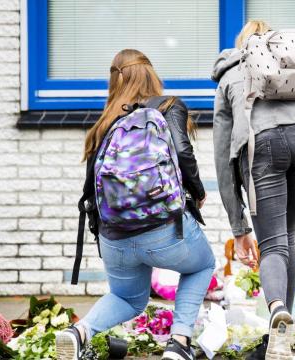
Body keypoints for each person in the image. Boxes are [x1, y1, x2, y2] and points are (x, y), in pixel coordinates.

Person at [56, 49, 214, 360]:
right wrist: (197, 191)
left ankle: (79, 333)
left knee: (127, 298)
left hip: (114, 235)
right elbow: (182, 152)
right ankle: (179, 343)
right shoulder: (168, 106)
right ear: (151, 75)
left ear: (114, 80)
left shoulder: (105, 121)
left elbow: (91, 186)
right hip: (163, 229)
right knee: (202, 265)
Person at [212, 20, 295, 355]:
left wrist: (238, 224)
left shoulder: (231, 72)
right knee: (287, 233)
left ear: (243, 45)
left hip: (264, 146)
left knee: (272, 243)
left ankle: (276, 311)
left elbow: (222, 151)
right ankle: (285, 326)